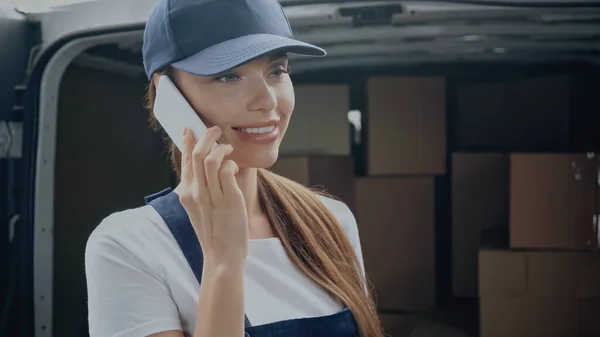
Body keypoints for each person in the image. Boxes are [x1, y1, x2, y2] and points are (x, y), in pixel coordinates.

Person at [85, 0, 383, 336]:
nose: (267, 101)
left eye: (277, 71)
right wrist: (223, 261)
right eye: (229, 76)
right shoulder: (128, 247)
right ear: (167, 95)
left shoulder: (330, 221)